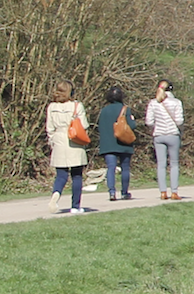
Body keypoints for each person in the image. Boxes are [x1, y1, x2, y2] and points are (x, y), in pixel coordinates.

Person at [43, 82, 92, 214]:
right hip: (74, 139)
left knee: (61, 175)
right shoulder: (76, 105)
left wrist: (53, 141)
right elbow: (84, 125)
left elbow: (50, 128)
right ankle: (75, 206)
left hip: (59, 140)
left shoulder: (51, 107)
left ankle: (56, 194)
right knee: (76, 175)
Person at [94, 85, 139, 202]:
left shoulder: (103, 111)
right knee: (125, 168)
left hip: (108, 143)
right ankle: (124, 192)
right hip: (124, 143)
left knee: (111, 168)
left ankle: (112, 192)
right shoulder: (125, 109)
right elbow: (132, 125)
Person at [148, 79, 186, 200]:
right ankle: (174, 192)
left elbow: (149, 121)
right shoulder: (176, 102)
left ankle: (163, 192)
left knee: (161, 164)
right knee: (174, 164)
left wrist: (156, 127)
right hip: (172, 134)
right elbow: (179, 121)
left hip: (158, 135)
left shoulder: (153, 103)